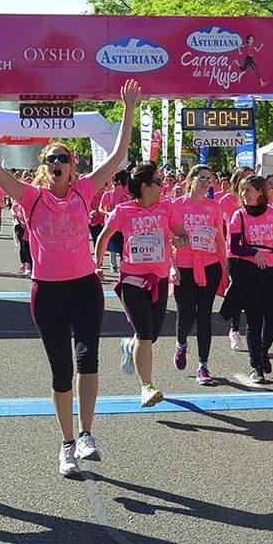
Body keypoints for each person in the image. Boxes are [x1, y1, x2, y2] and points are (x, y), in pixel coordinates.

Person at [0, 80, 139, 477]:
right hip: (46, 292)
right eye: (51, 160)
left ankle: (85, 434)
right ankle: (65, 443)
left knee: (88, 358)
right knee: (61, 370)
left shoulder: (84, 190)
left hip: (84, 288)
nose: (57, 164)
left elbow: (116, 157)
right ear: (45, 167)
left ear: (73, 164)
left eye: (63, 158)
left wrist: (128, 109)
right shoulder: (31, 196)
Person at [96, 161, 188, 406]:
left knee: (151, 335)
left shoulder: (167, 207)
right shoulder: (123, 211)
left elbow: (182, 235)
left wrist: (181, 242)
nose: (163, 185)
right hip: (132, 280)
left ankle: (129, 345)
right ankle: (146, 387)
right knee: (145, 335)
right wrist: (97, 265)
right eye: (158, 182)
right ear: (146, 186)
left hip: (158, 279)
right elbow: (103, 238)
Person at [222, 175, 273, 383]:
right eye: (242, 190)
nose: (244, 194)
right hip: (249, 271)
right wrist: (252, 253)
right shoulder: (238, 216)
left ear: (260, 192)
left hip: (271, 270)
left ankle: (263, 350)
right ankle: (256, 366)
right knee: (254, 320)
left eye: (249, 190)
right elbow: (234, 247)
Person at [170, 164, 228, 385]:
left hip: (209, 265)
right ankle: (181, 343)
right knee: (186, 315)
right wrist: (172, 266)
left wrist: (225, 265)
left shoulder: (214, 207)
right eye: (201, 177)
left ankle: (203, 365)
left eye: (209, 178)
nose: (205, 182)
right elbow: (167, 239)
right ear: (191, 180)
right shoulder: (176, 205)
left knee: (204, 315)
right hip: (184, 266)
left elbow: (219, 238)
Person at [218, 167, 254, 350]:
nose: (251, 181)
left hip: (255, 253)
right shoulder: (225, 201)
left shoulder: (256, 199)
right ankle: (234, 330)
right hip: (234, 252)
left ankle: (254, 334)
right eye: (247, 178)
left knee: (253, 293)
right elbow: (219, 227)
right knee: (237, 289)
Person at [100, 170, 129, 273]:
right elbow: (108, 208)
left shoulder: (125, 192)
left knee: (122, 250)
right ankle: (118, 268)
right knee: (120, 249)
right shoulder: (114, 191)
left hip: (123, 226)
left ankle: (122, 269)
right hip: (116, 225)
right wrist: (109, 213)